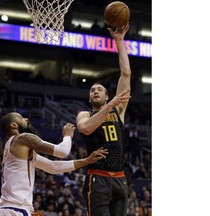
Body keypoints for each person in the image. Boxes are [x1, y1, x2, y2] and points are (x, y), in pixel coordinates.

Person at [0, 112, 108, 216]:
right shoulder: (22, 138)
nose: (27, 119)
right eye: (21, 118)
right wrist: (68, 136)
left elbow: (53, 167)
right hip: (15, 210)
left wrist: (86, 160)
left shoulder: (13, 148)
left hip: (6, 209)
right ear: (13, 125)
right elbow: (62, 152)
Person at [76, 23, 132, 216]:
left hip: (120, 178)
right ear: (90, 98)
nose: (95, 91)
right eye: (92, 90)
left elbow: (126, 74)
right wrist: (110, 105)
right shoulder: (85, 114)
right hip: (97, 178)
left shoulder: (119, 110)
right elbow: (85, 129)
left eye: (100, 89)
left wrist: (119, 40)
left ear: (107, 95)